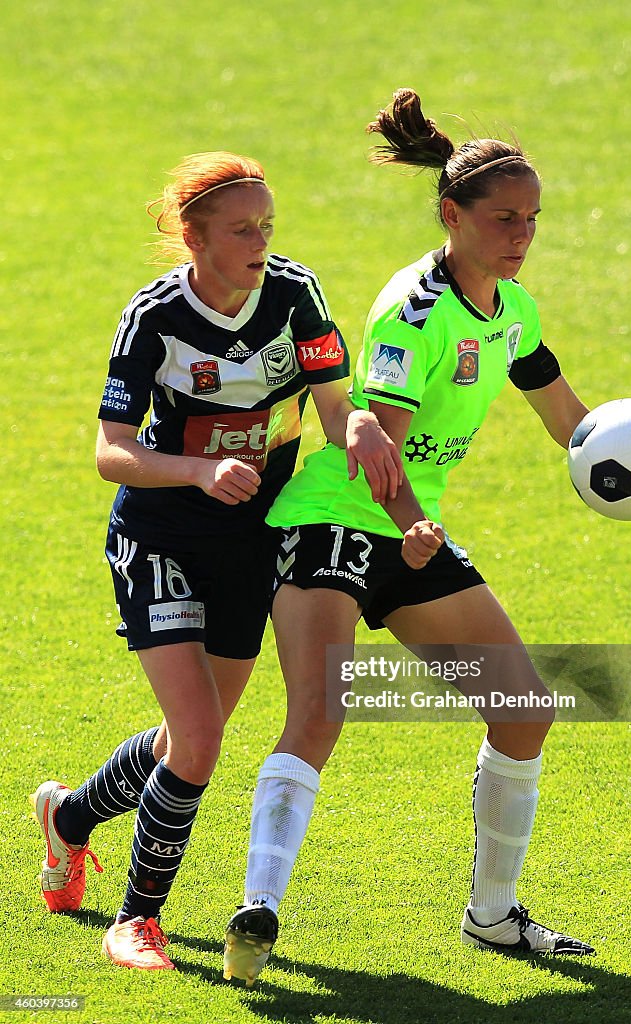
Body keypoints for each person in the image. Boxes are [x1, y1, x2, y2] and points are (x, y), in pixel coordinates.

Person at [222, 90, 631, 985]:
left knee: (524, 713)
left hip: (415, 531)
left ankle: (493, 918)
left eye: (533, 218)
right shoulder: (412, 310)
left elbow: (571, 421)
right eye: (504, 217)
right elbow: (374, 445)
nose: (522, 234)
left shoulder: (513, 309)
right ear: (453, 214)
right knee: (320, 712)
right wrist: (409, 527)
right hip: (339, 519)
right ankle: (259, 909)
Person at [30, 151, 402, 971]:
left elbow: (335, 401)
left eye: (266, 225)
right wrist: (198, 469)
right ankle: (136, 921)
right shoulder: (155, 315)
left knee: (187, 738)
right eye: (241, 228)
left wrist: (361, 429)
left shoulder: (295, 294)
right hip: (162, 532)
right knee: (198, 742)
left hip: (254, 538)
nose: (260, 240)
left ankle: (69, 818)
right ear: (193, 237)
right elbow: (112, 451)